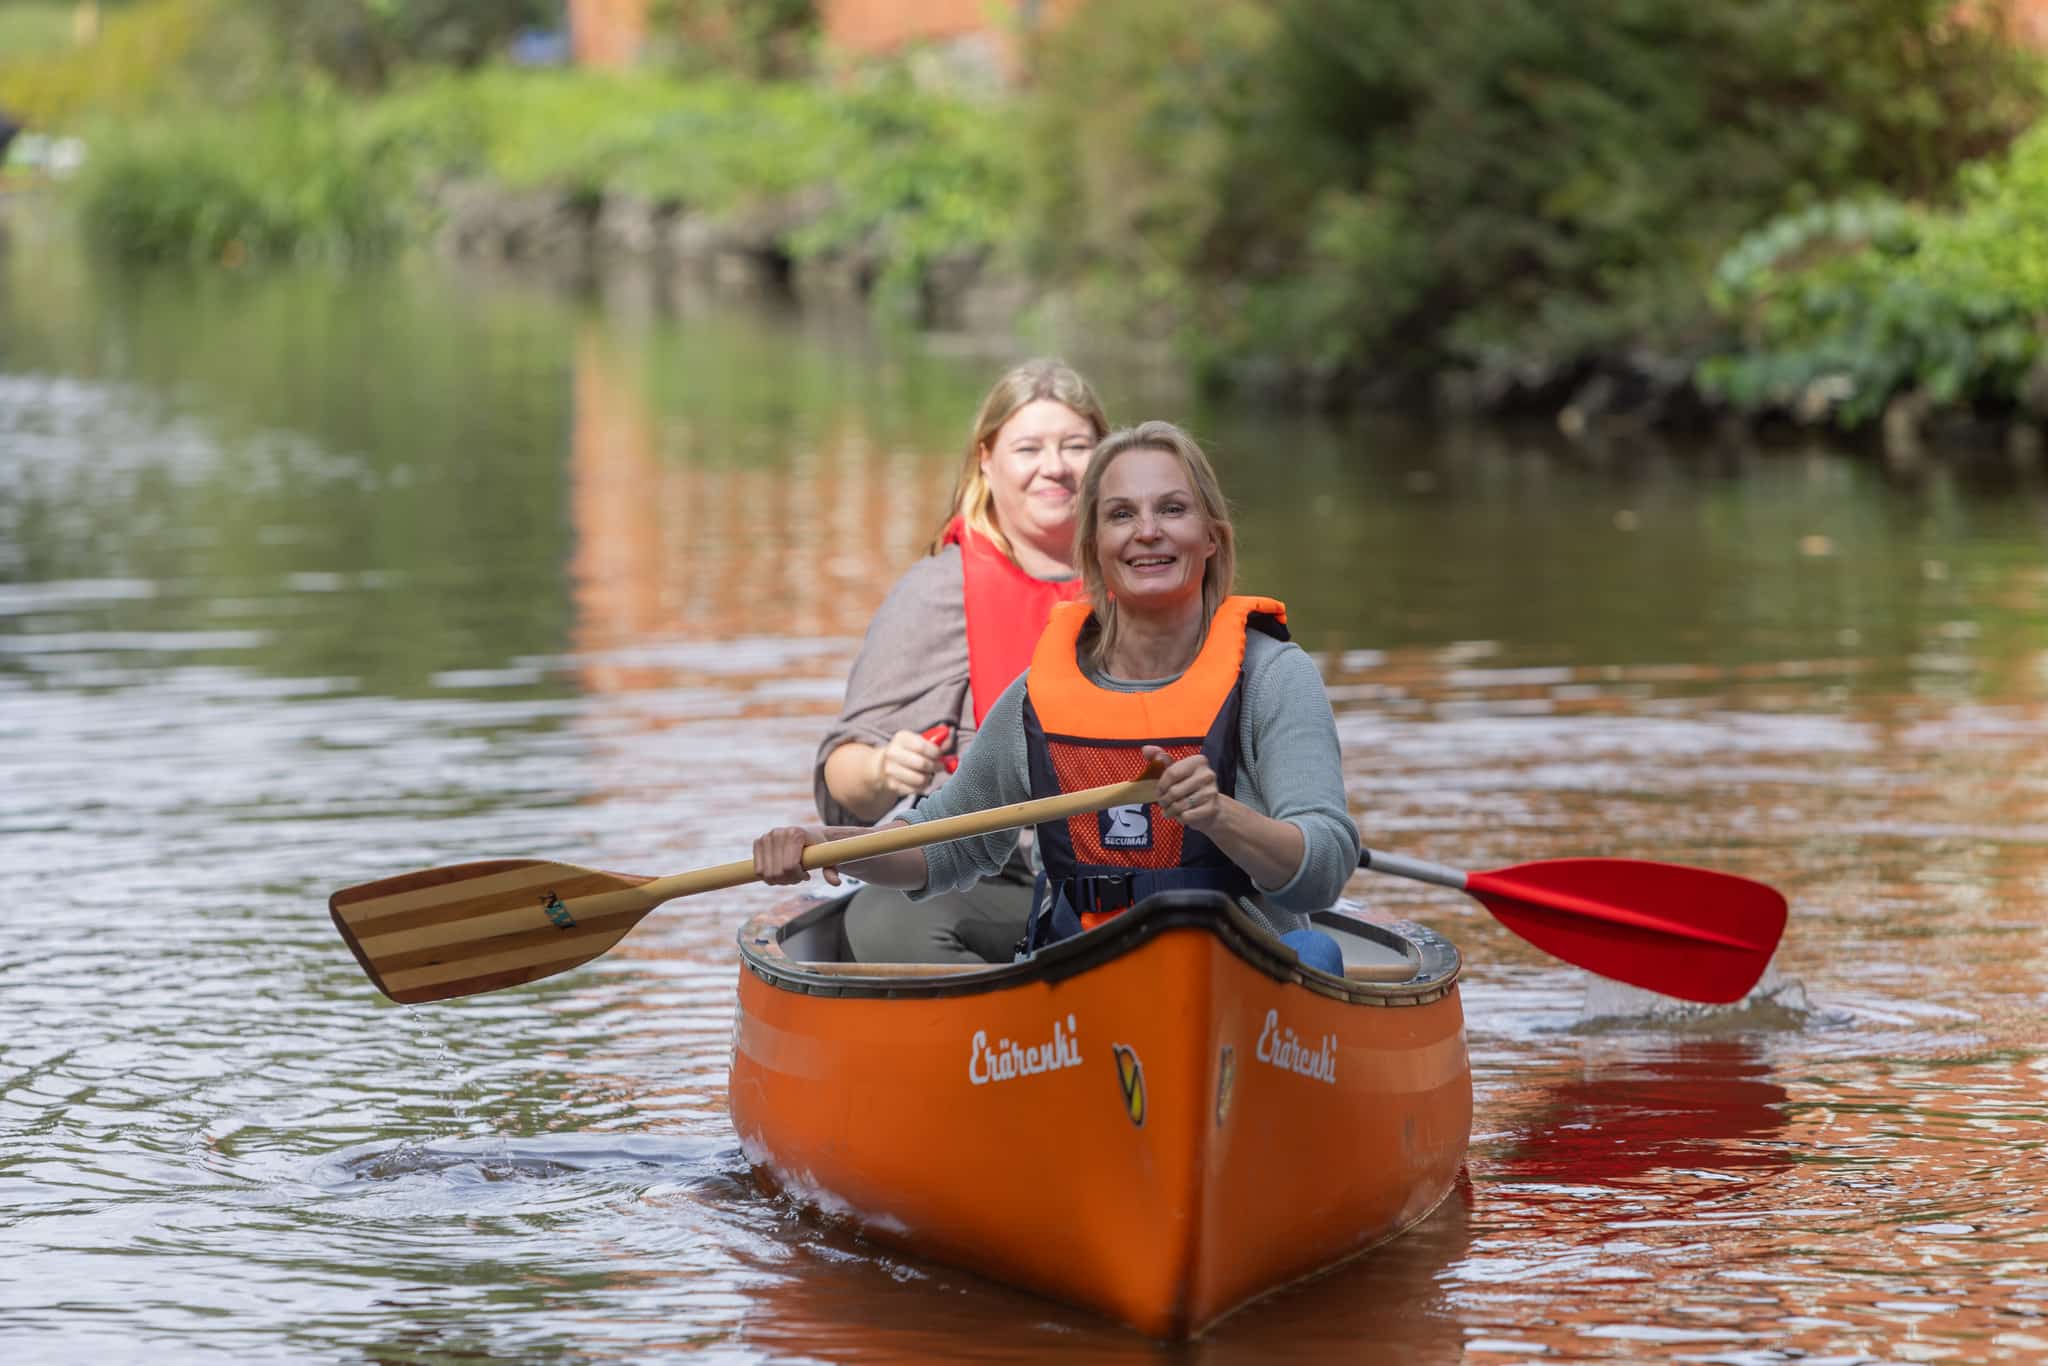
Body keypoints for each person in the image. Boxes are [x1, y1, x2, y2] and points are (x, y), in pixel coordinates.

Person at [759, 420, 1357, 975]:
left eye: (1172, 510)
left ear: (1211, 539)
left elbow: (1323, 869)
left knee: (1316, 951)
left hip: (1240, 972)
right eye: (1122, 515)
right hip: (1082, 974)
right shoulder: (1040, 696)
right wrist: (828, 848)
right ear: (1094, 544)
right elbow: (943, 843)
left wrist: (1222, 817)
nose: (1147, 531)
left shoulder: (1273, 677)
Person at [815, 359, 1110, 963]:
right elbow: (839, 786)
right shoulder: (937, 592)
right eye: (1029, 448)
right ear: (987, 460)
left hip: (1141, 859)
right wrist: (880, 769)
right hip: (995, 874)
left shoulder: (1151, 571)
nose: (1054, 467)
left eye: (1076, 446)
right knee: (885, 921)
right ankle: (1010, 1038)